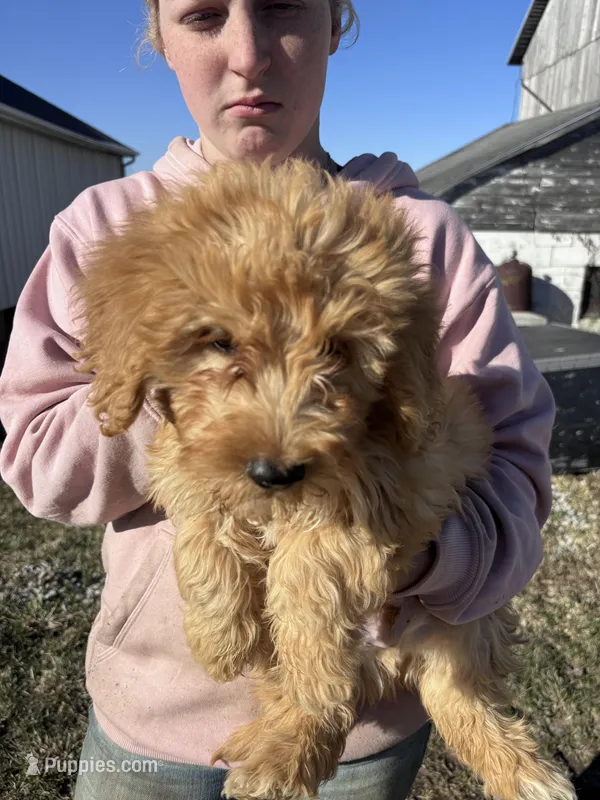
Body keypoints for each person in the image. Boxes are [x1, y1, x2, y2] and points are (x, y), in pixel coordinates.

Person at [0, 1, 556, 798]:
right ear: (159, 36)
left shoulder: (420, 244)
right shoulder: (104, 228)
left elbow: (511, 479)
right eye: (202, 16)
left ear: (336, 21)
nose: (249, 55)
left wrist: (413, 555)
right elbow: (37, 462)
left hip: (360, 736)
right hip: (146, 725)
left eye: (284, 8)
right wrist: (174, 385)